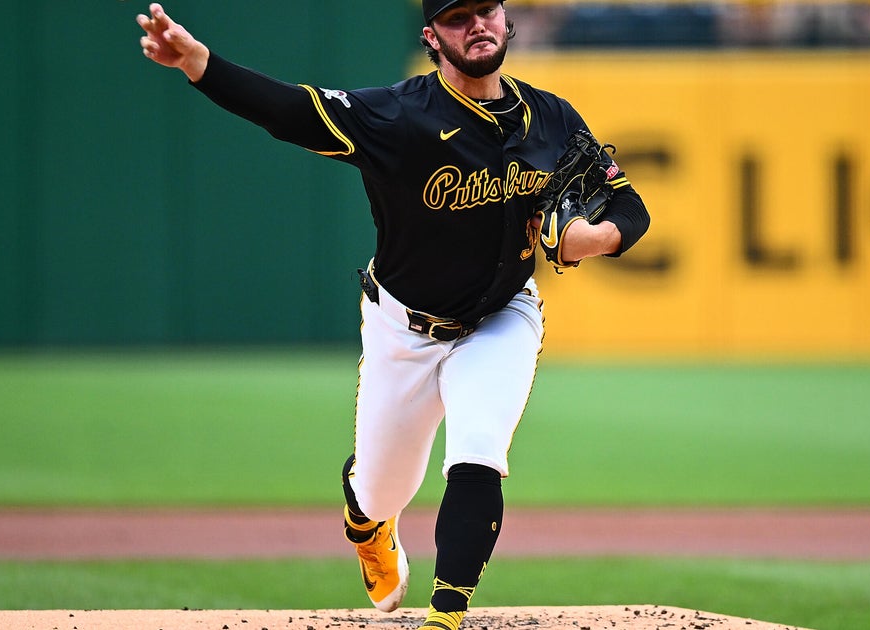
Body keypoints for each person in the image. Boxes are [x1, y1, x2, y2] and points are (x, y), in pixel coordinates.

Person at [137, 1, 650, 627]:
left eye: (486, 9)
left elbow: (630, 207)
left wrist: (590, 240)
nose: (478, 25)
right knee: (384, 490)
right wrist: (199, 63)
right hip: (403, 325)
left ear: (505, 16)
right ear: (432, 37)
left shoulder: (550, 118)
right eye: (458, 17)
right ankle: (365, 519)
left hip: (502, 314)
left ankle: (447, 613)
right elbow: (288, 110)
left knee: (479, 446)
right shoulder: (399, 114)